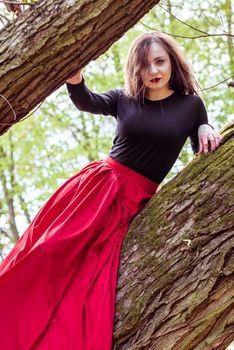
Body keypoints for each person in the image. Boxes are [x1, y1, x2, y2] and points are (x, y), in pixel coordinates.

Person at [0, 31, 222, 350]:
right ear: (136, 69)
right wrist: (75, 79)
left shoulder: (191, 106)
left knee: (88, 278)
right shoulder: (124, 99)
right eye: (145, 65)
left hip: (135, 200)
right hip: (96, 188)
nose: (153, 71)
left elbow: (200, 144)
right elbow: (87, 101)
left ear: (172, 62)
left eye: (159, 62)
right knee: (49, 250)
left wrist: (205, 126)